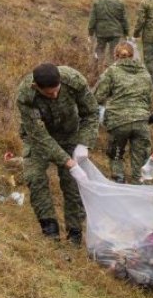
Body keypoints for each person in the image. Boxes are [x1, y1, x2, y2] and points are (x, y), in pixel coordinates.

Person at [16, 62, 99, 244]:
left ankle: (75, 234)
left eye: (56, 90)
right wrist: (68, 162)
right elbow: (40, 136)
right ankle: (50, 231)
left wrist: (84, 144)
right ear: (36, 87)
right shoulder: (26, 95)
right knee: (34, 177)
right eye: (48, 94)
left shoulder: (74, 81)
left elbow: (92, 113)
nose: (54, 96)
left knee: (72, 184)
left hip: (70, 135)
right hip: (38, 138)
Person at [94, 42, 153, 183]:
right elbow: (150, 100)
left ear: (116, 56)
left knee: (116, 154)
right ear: (133, 56)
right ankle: (140, 188)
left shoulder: (112, 71)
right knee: (140, 162)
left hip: (118, 122)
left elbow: (98, 97)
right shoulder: (145, 73)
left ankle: (119, 179)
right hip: (141, 122)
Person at [88, 0, 129, 66]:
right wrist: (126, 32)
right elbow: (124, 19)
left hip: (101, 32)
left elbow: (92, 19)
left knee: (99, 51)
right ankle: (112, 72)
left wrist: (90, 32)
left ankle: (96, 71)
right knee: (114, 54)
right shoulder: (119, 1)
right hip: (115, 32)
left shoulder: (97, 1)